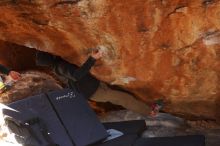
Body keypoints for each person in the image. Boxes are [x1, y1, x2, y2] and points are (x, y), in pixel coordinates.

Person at [36, 49, 102, 99]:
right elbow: (77, 75)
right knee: (112, 96)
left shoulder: (57, 66)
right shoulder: (60, 67)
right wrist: (92, 59)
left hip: (91, 87)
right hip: (93, 90)